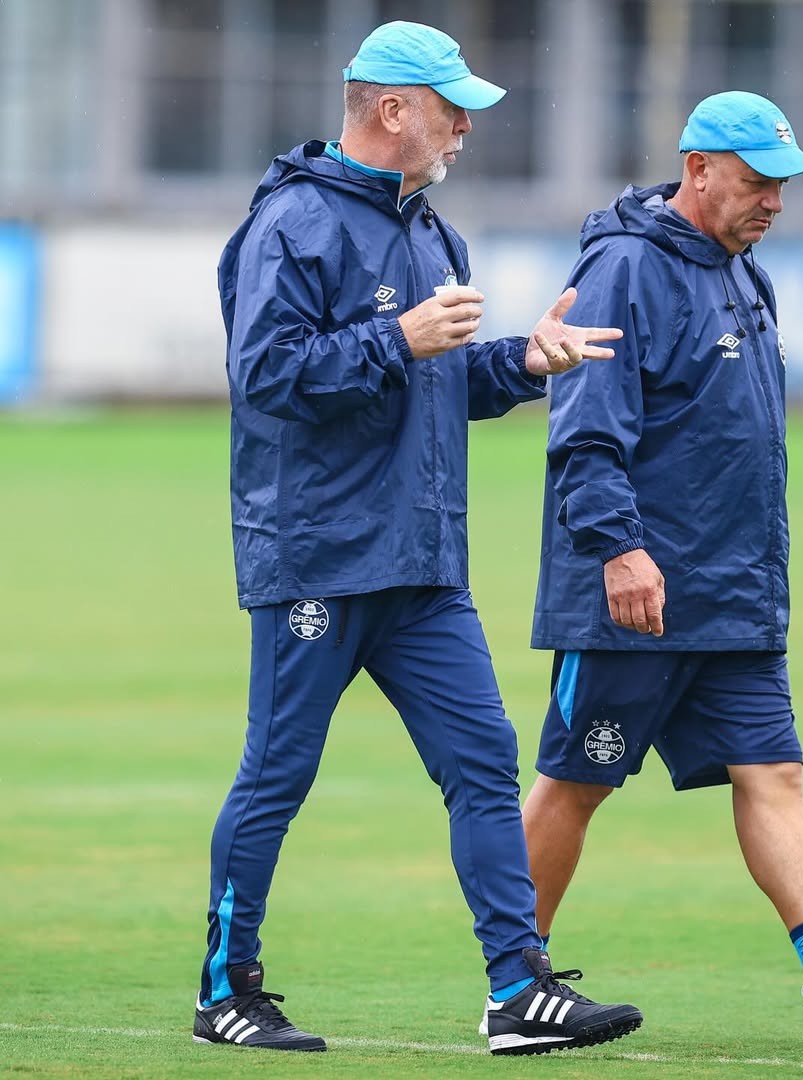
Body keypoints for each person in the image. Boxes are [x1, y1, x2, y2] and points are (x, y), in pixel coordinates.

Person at [192, 20, 643, 1057]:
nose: (467, 124)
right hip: (317, 556)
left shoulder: (434, 233)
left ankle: (516, 990)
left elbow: (436, 384)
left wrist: (525, 365)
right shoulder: (292, 224)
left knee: (486, 765)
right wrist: (396, 337)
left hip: (425, 564)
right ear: (392, 109)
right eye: (452, 106)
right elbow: (267, 377)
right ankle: (226, 991)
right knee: (279, 774)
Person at [520, 91, 803, 1048]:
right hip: (634, 596)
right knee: (575, 784)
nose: (773, 202)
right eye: (758, 182)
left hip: (734, 593)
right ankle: (516, 985)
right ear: (699, 169)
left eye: (784, 186)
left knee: (776, 774)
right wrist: (618, 549)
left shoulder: (740, 270)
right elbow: (586, 431)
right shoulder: (625, 268)